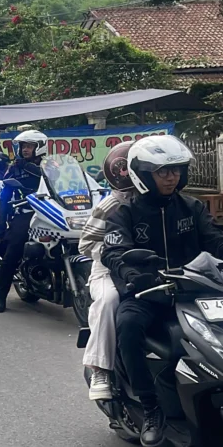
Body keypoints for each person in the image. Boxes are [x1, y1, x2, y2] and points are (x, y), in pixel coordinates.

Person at [102, 135, 223, 447]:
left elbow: (217, 239)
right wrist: (133, 274)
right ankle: (151, 406)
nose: (172, 177)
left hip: (197, 292)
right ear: (142, 175)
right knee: (128, 326)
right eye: (162, 172)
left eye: (176, 170)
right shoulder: (125, 213)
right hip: (150, 293)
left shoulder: (191, 207)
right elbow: (113, 251)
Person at [77, 141, 136, 401]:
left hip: (155, 268)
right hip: (109, 269)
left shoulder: (169, 202)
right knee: (109, 300)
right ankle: (100, 367)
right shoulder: (111, 205)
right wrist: (117, 252)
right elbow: (86, 244)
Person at [0, 130, 48, 313]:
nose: (25, 150)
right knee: (13, 251)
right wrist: (1, 225)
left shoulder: (51, 165)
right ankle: (0, 297)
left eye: (29, 146)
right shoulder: (15, 168)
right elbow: (5, 197)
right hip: (25, 213)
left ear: (39, 147)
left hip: (51, 212)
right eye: (23, 146)